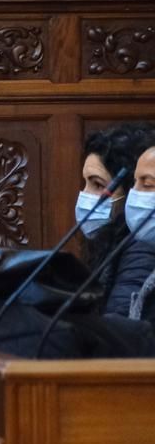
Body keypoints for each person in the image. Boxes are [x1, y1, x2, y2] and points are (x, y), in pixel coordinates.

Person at [76, 123, 155, 316]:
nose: (85, 195)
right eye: (85, 183)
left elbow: (120, 326)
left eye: (97, 184)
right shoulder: (113, 240)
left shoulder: (142, 246)